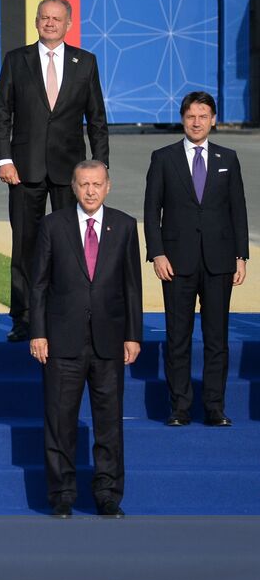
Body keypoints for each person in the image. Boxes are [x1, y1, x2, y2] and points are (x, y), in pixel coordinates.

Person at [0, 0, 109, 342]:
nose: (50, 23)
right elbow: (1, 113)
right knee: (24, 246)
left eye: (57, 18)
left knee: (70, 245)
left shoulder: (85, 62)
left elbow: (97, 121)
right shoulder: (17, 60)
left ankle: (67, 314)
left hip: (71, 173)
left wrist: (99, 169)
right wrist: (4, 159)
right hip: (23, 171)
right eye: (45, 17)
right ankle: (24, 318)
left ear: (68, 24)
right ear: (36, 21)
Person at [29, 160, 141, 518]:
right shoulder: (52, 225)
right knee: (60, 420)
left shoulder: (124, 226)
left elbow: (132, 287)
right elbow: (39, 285)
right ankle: (62, 493)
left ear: (108, 186)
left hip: (109, 340)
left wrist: (133, 335)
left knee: (109, 422)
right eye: (83, 184)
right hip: (62, 341)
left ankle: (107, 493)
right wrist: (38, 332)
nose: (90, 190)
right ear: (74, 188)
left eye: (96, 184)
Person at [143, 92, 248, 428]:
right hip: (176, 262)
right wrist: (157, 252)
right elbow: (151, 210)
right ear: (183, 119)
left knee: (217, 337)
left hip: (219, 261)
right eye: (191, 116)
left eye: (204, 116)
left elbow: (238, 210)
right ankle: (180, 407)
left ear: (214, 119)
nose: (197, 122)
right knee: (178, 337)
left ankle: (214, 407)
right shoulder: (163, 157)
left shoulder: (228, 158)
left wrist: (240, 255)